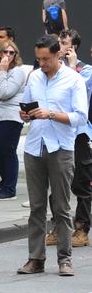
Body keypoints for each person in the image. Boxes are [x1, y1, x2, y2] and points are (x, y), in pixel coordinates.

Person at [17, 35, 87, 277]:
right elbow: (25, 105)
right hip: (34, 146)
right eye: (38, 59)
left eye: (46, 58)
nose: (42, 63)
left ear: (58, 54)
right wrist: (24, 114)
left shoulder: (74, 80)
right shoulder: (34, 77)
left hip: (61, 147)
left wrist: (51, 114)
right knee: (36, 207)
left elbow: (80, 117)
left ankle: (65, 259)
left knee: (61, 206)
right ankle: (35, 259)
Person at [45, 29, 92, 248]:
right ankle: (57, 226)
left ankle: (81, 228)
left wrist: (72, 69)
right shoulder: (51, 70)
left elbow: (80, 100)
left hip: (79, 134)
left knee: (82, 183)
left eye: (64, 43)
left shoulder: (86, 71)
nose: (60, 47)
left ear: (73, 47)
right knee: (57, 182)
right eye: (58, 43)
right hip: (56, 134)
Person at [0, 41, 26, 200]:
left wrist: (2, 72)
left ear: (16, 55)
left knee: (7, 152)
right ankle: (4, 183)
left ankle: (10, 189)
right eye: (5, 52)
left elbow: (4, 93)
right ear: (0, 53)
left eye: (11, 53)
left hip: (10, 116)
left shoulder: (17, 72)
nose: (8, 55)